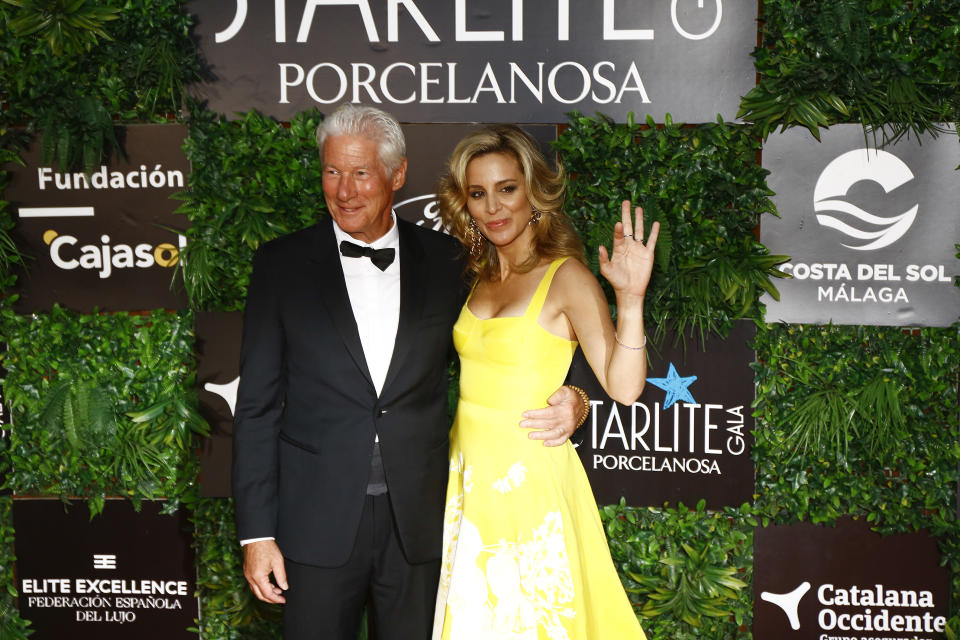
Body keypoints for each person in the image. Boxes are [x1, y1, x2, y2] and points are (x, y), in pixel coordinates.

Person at [231, 104, 586, 640]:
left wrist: (577, 394)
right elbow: (255, 406)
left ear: (397, 175)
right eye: (332, 171)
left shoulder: (450, 262)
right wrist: (256, 535)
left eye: (361, 172)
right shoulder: (281, 265)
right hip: (314, 526)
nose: (344, 190)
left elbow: (514, 339)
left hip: (422, 527)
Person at [432, 125, 657, 639]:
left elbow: (623, 387)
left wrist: (632, 300)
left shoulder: (567, 276)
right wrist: (576, 401)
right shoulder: (476, 274)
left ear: (533, 192)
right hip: (466, 482)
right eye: (478, 193)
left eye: (506, 188)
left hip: (528, 482)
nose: (493, 206)